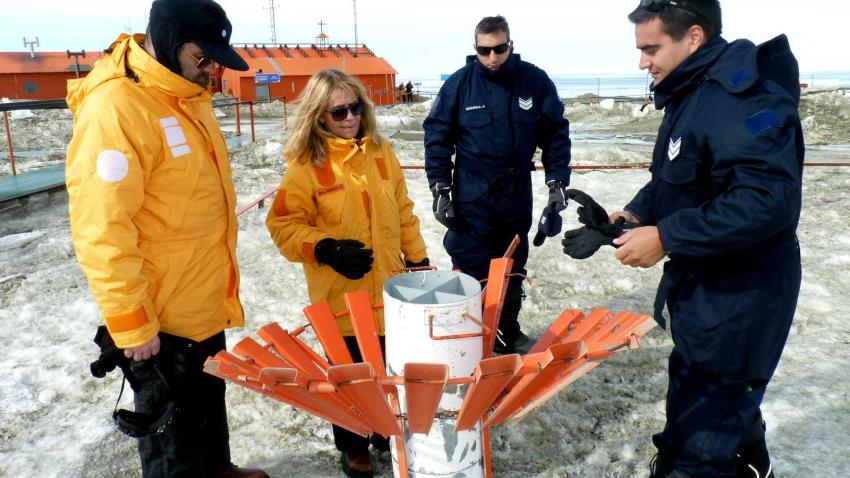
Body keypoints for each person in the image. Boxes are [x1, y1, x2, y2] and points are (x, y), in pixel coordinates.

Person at [65, 1, 268, 477]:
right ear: (171, 37)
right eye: (204, 58)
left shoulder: (182, 97)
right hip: (159, 318)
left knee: (206, 399)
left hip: (199, 298)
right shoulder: (115, 109)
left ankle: (217, 468)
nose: (212, 68)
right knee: (170, 433)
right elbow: (102, 227)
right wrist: (132, 324)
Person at [602, 1, 803, 476]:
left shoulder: (744, 101)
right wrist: (636, 213)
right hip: (706, 290)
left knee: (702, 437)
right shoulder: (692, 96)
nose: (641, 62)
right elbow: (679, 177)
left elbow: (766, 201)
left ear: (693, 38)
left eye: (651, 48)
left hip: (742, 297)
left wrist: (667, 236)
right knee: (720, 413)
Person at [265, 68, 429, 478]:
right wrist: (326, 248)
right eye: (339, 111)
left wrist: (419, 260)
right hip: (341, 295)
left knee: (392, 367)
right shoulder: (306, 165)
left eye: (355, 107)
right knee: (350, 374)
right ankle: (352, 445)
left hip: (392, 288)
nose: (350, 117)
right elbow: (283, 226)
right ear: (320, 115)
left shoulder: (381, 151)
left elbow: (403, 210)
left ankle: (384, 431)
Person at [424, 15, 572, 354]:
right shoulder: (460, 85)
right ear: (475, 48)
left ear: (511, 45)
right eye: (484, 50)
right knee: (470, 266)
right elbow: (437, 137)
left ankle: (507, 332)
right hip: (471, 192)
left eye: (499, 49)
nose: (492, 57)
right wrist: (440, 189)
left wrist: (557, 183)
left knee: (512, 264)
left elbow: (556, 135)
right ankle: (467, 337)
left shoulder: (534, 82)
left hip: (516, 191)